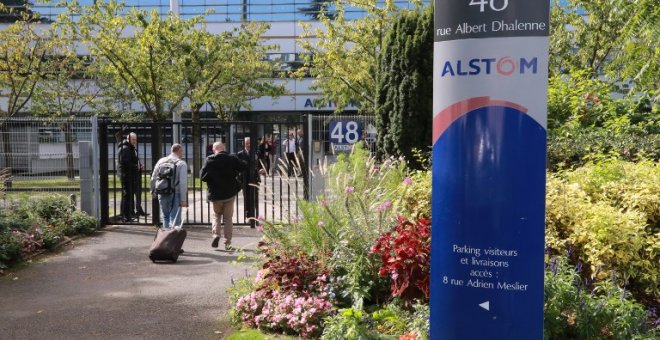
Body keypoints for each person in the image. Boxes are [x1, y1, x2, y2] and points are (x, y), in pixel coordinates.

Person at [200, 142, 247, 250]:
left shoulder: (209, 160)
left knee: (216, 216)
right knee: (228, 219)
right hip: (229, 194)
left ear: (213, 149)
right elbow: (243, 167)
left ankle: (216, 235)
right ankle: (227, 242)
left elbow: (203, 177)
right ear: (224, 148)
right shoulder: (231, 158)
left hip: (215, 194)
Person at [150, 144, 189, 229]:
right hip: (176, 193)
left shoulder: (161, 161)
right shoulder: (181, 163)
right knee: (175, 219)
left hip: (162, 192)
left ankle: (165, 238)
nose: (182, 153)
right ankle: (173, 239)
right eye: (182, 151)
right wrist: (183, 199)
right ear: (179, 151)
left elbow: (153, 177)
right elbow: (183, 183)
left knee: (165, 217)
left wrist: (153, 191)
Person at [118, 132, 146, 222]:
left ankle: (129, 214)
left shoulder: (131, 148)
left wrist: (139, 166)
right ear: (128, 139)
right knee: (127, 195)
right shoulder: (125, 148)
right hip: (126, 175)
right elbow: (125, 162)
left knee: (129, 195)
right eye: (133, 139)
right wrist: (136, 167)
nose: (135, 141)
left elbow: (133, 160)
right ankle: (125, 216)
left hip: (132, 175)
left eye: (135, 139)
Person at [236, 137, 263, 225]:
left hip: (255, 178)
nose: (248, 144)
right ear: (243, 144)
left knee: (255, 197)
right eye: (247, 143)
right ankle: (248, 216)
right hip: (245, 179)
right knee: (246, 197)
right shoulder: (240, 154)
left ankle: (255, 215)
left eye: (250, 143)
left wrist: (261, 169)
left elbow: (260, 163)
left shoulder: (256, 152)